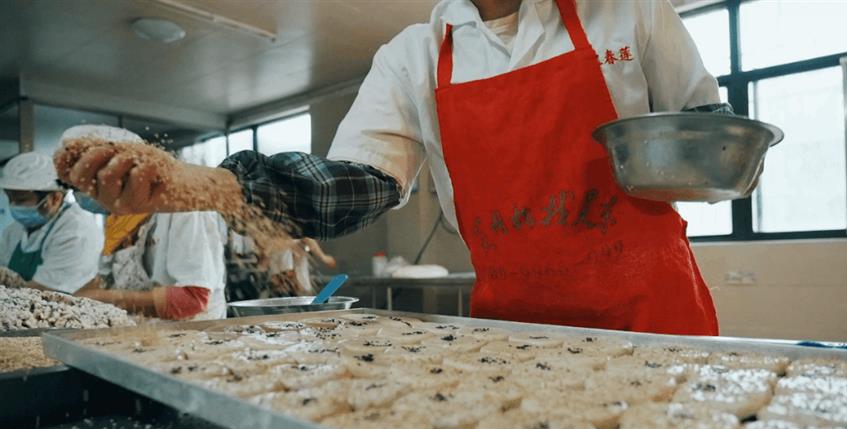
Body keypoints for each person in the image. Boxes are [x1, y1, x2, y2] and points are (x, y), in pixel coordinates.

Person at [55, 0, 730, 335]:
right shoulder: (414, 57)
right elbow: (356, 186)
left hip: (653, 318)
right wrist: (204, 186)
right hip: (519, 330)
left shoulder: (629, 12)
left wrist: (692, 152)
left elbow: (707, 137)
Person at [67, 126, 228, 321]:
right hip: (143, 334)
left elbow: (193, 300)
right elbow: (105, 281)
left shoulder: (183, 207)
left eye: (87, 184)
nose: (79, 193)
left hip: (194, 337)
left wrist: (110, 300)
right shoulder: (119, 216)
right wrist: (68, 301)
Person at [0, 152, 102, 293]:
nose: (13, 206)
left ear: (55, 198)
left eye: (21, 200)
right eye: (10, 198)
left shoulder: (77, 231)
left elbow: (45, 291)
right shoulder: (14, 231)